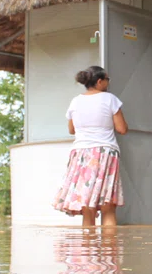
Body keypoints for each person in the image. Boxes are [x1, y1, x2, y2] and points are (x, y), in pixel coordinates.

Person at [53, 65, 128, 227]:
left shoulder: (75, 101)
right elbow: (122, 129)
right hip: (105, 152)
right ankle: (109, 251)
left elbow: (72, 129)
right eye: (107, 79)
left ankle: (87, 250)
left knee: (87, 205)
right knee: (108, 207)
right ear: (100, 81)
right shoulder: (110, 99)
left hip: (81, 154)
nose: (108, 83)